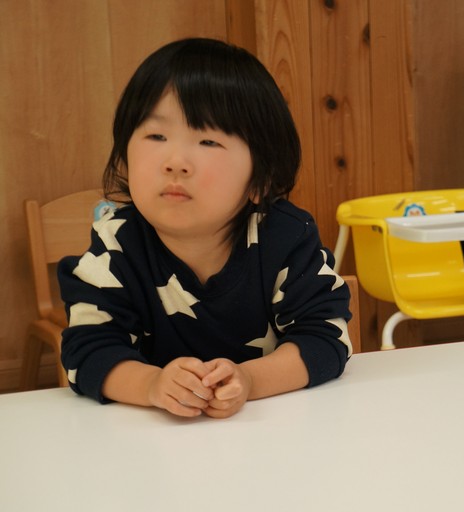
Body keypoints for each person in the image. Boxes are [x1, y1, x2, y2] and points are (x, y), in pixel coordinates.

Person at [58, 38, 352, 418]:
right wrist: (151, 385)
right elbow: (87, 350)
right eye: (156, 136)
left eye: (208, 140)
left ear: (261, 180)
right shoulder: (116, 244)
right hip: (151, 440)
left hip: (274, 434)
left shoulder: (285, 237)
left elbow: (326, 338)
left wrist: (250, 380)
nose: (175, 161)